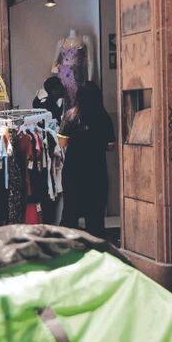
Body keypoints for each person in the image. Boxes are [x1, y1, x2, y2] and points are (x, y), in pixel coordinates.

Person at [59, 82, 115, 239]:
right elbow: (111, 147)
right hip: (96, 173)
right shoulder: (104, 118)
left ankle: (69, 249)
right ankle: (96, 251)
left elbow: (62, 143)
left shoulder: (70, 116)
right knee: (95, 217)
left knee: (70, 213)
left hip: (73, 173)